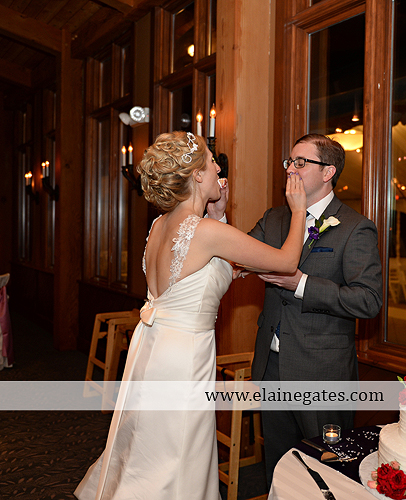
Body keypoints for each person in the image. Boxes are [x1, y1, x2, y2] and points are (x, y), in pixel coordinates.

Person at [74, 131, 307, 500]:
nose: (219, 170)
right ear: (198, 175)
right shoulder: (206, 232)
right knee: (178, 449)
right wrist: (298, 210)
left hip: (153, 346)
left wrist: (218, 213)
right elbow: (287, 261)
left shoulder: (160, 225)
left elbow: (212, 270)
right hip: (184, 355)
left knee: (150, 444)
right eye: (213, 163)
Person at [211, 133, 382, 487]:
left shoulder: (354, 227)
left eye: (301, 162)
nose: (291, 169)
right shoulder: (275, 219)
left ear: (328, 172)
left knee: (326, 474)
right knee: (278, 467)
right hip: (272, 366)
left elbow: (368, 300)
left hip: (322, 372)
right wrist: (218, 215)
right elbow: (234, 258)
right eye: (289, 162)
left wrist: (301, 284)